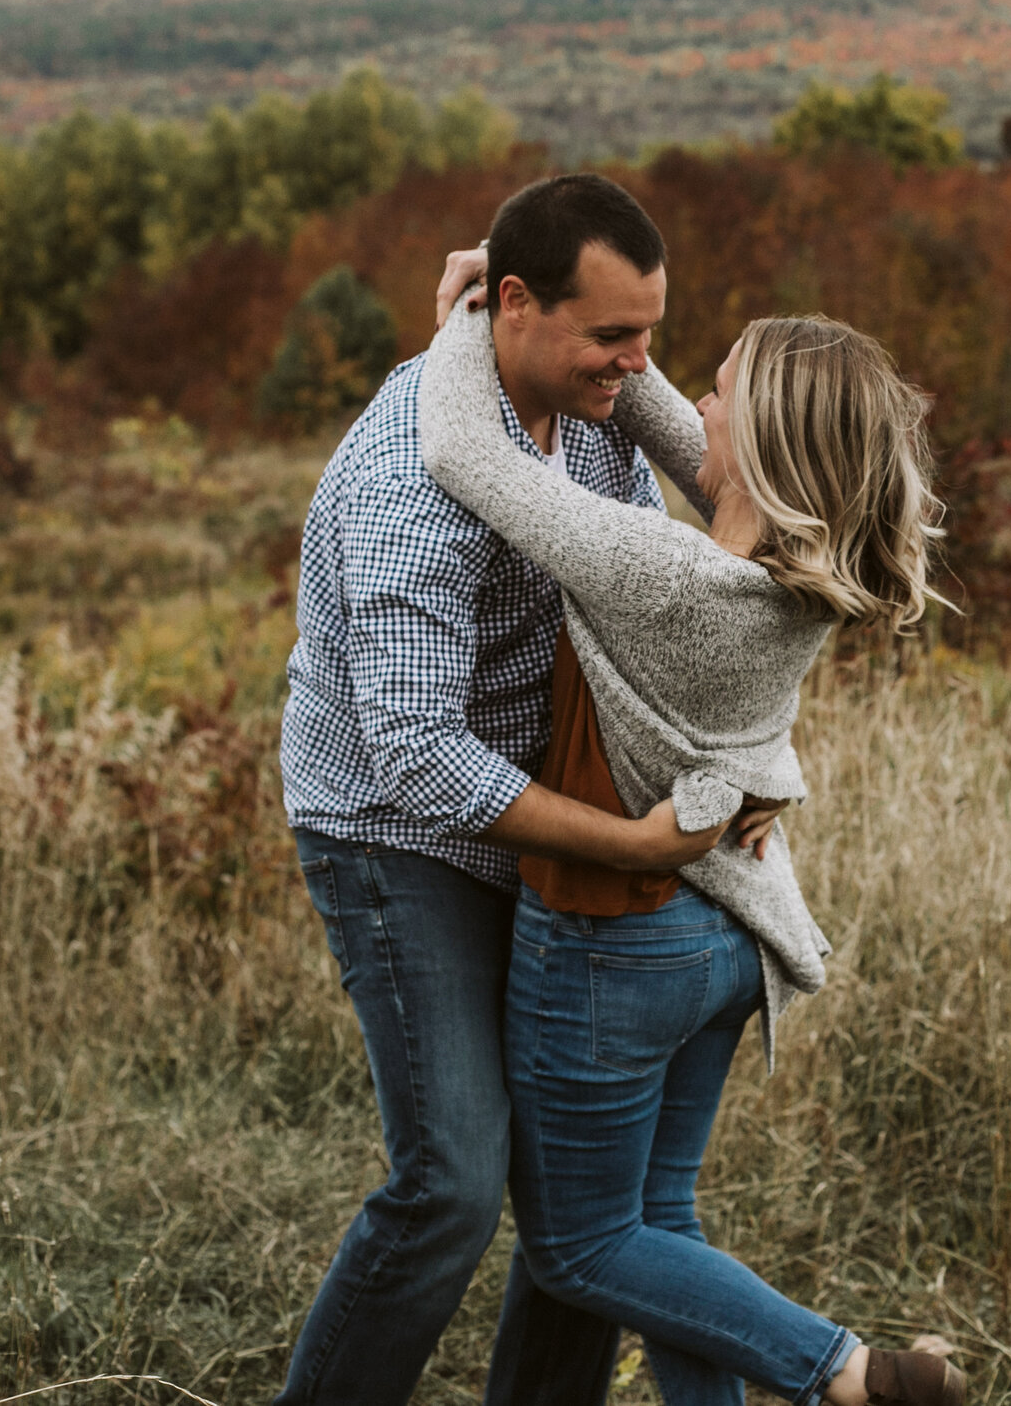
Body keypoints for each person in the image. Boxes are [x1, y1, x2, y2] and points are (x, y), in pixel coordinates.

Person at [416, 246, 968, 1406]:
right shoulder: (799, 576)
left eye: (717, 386)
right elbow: (676, 426)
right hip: (726, 930)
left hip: (619, 944)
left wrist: (472, 309)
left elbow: (459, 450)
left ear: (761, 450)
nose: (688, 398)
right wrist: (541, 285)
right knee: (659, 1225)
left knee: (582, 1245)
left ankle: (847, 1371)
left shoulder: (661, 571)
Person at [274, 175, 778, 1406]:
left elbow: (738, 490)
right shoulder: (413, 483)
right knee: (450, 1179)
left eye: (650, 333)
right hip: (397, 831)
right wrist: (628, 841)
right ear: (514, 304)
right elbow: (417, 756)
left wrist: (749, 761)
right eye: (611, 335)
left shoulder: (588, 392)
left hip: (552, 799)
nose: (637, 363)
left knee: (575, 1189)